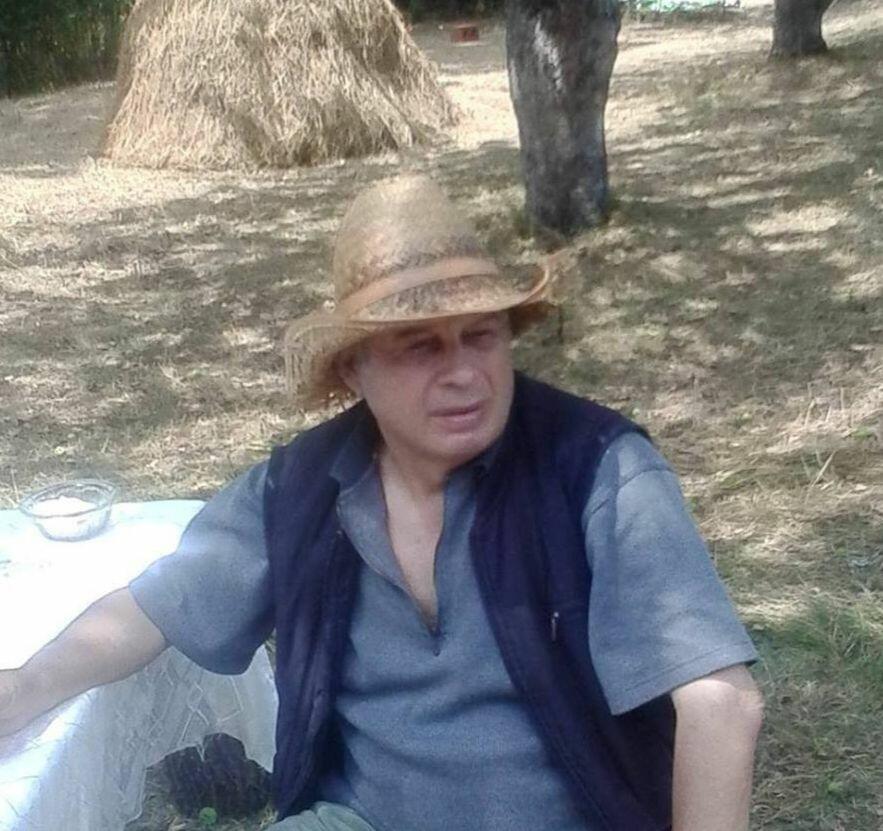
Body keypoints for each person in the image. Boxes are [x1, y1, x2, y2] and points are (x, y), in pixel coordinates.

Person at [0, 176, 763, 831]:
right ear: (352, 370)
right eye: (420, 345)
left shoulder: (595, 471)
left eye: (480, 335)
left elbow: (719, 701)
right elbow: (152, 606)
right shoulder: (304, 487)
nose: (463, 372)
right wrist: (25, 685)